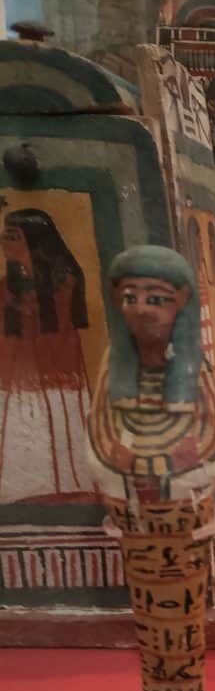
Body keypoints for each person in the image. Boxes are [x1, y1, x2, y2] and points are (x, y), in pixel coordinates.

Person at [87, 246, 215, 691]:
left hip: (182, 519)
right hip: (139, 524)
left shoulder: (197, 373)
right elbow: (101, 442)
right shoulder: (113, 369)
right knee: (151, 625)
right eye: (130, 298)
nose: (142, 309)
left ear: (181, 304)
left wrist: (157, 468)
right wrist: (143, 469)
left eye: (156, 298)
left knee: (184, 622)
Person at [0, 208, 94, 503]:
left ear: (35, 240)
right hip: (20, 372)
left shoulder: (62, 280)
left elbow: (49, 323)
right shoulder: (10, 283)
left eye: (12, 236)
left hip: (56, 370)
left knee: (59, 427)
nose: (3, 241)